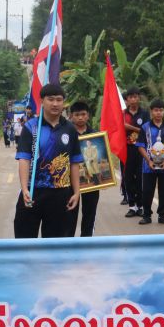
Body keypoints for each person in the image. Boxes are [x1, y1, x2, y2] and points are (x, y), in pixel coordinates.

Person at [14, 83, 82, 238]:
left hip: (60, 193)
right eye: (51, 99)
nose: (55, 104)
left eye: (59, 100)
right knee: (25, 239)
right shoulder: (31, 127)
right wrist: (24, 188)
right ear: (42, 101)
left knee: (56, 243)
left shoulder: (70, 129)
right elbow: (24, 159)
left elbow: (74, 162)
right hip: (33, 192)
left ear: (63, 103)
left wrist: (77, 192)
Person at [135, 98, 164, 225]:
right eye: (156, 110)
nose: (159, 113)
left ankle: (162, 215)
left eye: (161, 110)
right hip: (149, 166)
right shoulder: (145, 127)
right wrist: (148, 160)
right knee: (147, 191)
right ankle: (146, 215)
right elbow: (140, 146)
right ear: (151, 111)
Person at [67, 100, 101, 237]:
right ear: (71, 116)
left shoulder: (95, 135)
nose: (80, 117)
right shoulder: (66, 133)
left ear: (88, 115)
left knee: (90, 212)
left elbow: (100, 156)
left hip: (91, 178)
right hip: (70, 179)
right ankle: (69, 241)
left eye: (83, 114)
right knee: (70, 212)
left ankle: (86, 240)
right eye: (77, 115)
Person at [122, 87, 148, 217]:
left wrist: (131, 128)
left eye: (135, 96)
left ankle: (140, 206)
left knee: (140, 178)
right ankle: (132, 206)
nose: (133, 99)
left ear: (139, 98)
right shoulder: (122, 114)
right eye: (130, 97)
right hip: (126, 149)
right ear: (127, 99)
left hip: (140, 149)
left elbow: (147, 130)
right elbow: (117, 129)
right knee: (128, 178)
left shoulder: (144, 114)